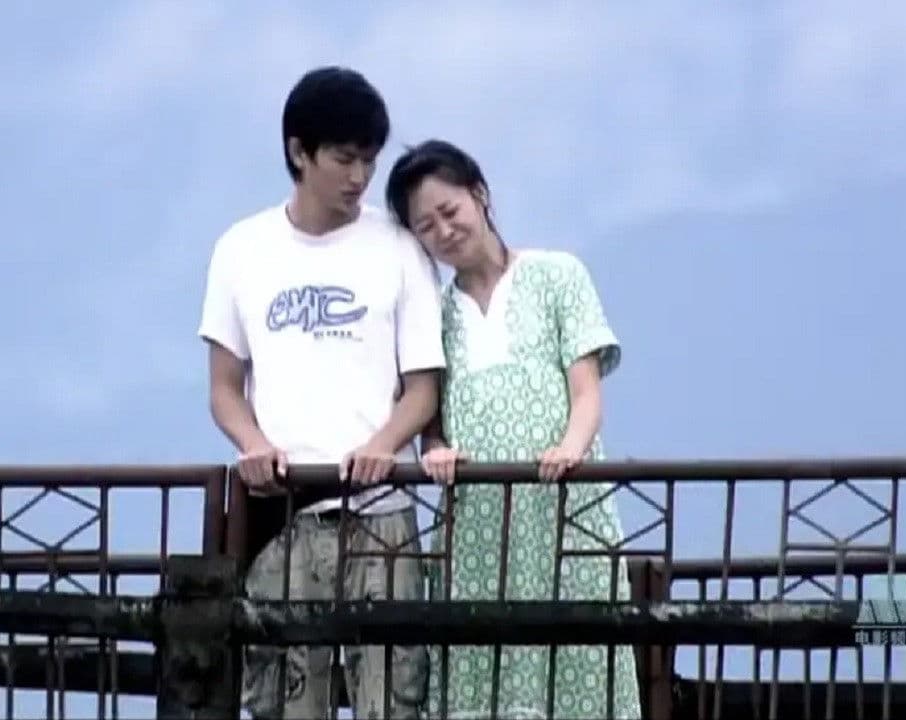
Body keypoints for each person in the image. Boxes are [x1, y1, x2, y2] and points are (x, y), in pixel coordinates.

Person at [197, 67, 445, 720]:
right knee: (281, 700)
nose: (359, 177)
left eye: (369, 160)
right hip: (282, 514)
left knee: (393, 699)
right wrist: (252, 444)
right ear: (298, 152)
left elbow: (423, 387)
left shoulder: (399, 247)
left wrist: (384, 444)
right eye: (343, 158)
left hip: (382, 514)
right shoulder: (242, 249)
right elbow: (224, 387)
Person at [383, 139, 644, 720]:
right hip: (476, 524)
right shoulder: (432, 311)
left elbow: (586, 392)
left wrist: (569, 450)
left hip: (565, 508)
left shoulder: (557, 274)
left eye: (449, 211)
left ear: (479, 194)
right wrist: (435, 449)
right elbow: (431, 417)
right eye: (425, 226)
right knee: (480, 665)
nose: (444, 231)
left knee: (581, 657)